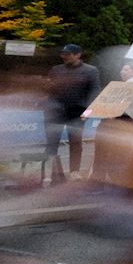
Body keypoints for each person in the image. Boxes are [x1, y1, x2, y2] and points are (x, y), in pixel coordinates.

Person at [43, 44, 100, 183]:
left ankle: (74, 172)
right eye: (63, 54)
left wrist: (88, 111)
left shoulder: (90, 71)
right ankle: (49, 173)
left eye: (68, 54)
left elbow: (94, 92)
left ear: (77, 55)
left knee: (75, 142)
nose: (64, 57)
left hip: (77, 112)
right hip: (56, 112)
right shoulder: (56, 70)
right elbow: (49, 90)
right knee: (51, 142)